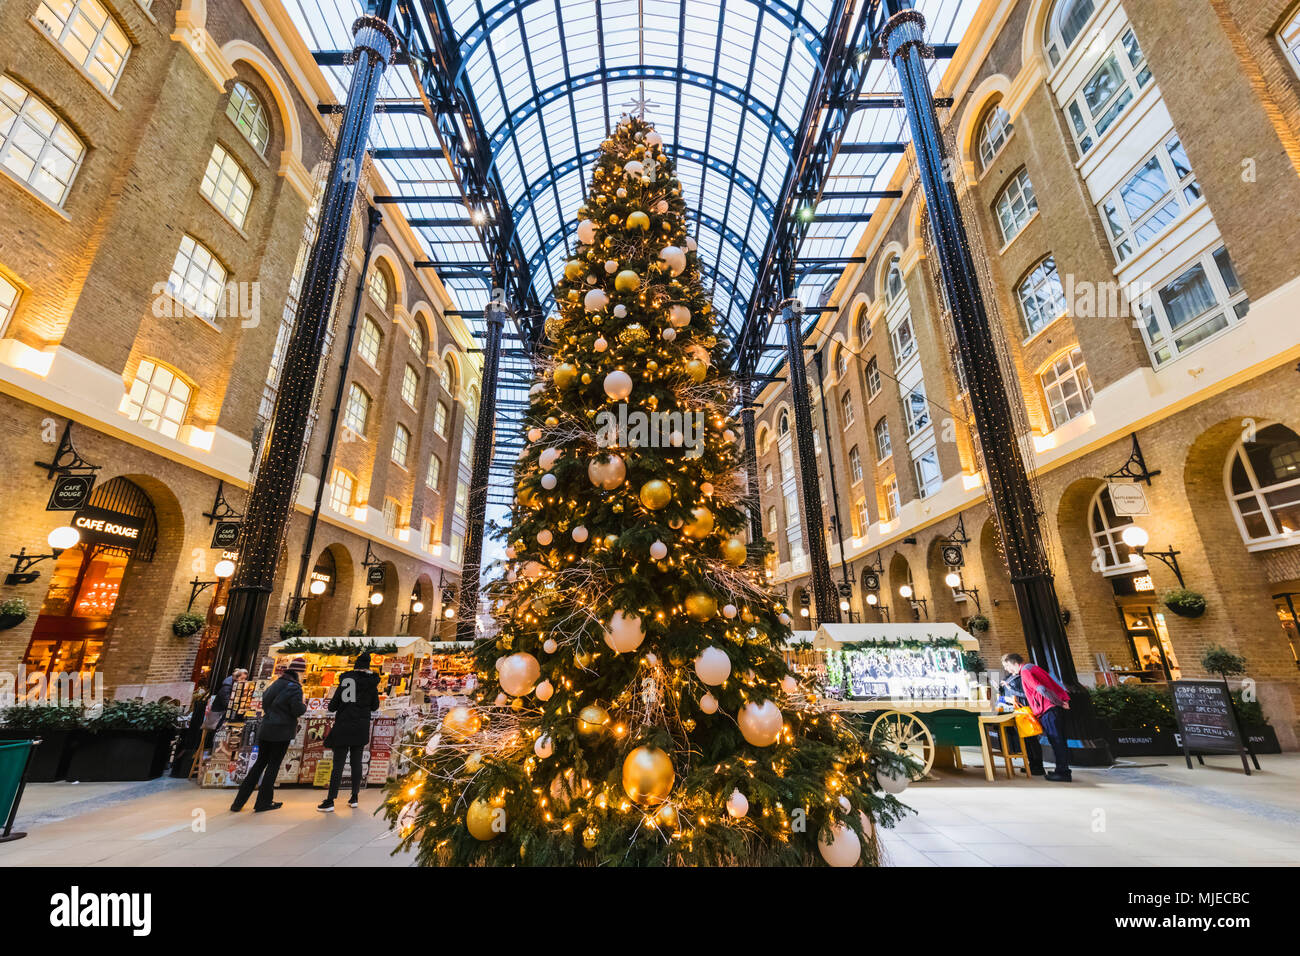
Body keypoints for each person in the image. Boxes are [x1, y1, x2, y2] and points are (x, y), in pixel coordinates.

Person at [231, 657, 307, 813]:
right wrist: (303, 705)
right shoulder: (295, 687)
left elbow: (265, 702)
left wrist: (273, 714)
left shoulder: (276, 683)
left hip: (266, 728)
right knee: (273, 766)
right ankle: (263, 802)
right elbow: (297, 710)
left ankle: (238, 802)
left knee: (259, 764)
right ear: (299, 672)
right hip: (282, 730)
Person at [318, 652, 381, 812]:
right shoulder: (371, 683)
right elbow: (375, 706)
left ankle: (331, 800)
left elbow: (333, 705)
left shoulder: (347, 681)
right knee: (356, 762)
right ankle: (354, 797)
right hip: (361, 726)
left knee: (338, 763)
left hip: (344, 724)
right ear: (368, 666)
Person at [1001, 652, 1072, 782]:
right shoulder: (1031, 667)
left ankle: (1063, 772)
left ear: (1013, 663)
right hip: (1052, 707)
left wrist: (1059, 702)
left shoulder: (1026, 672)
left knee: (1057, 741)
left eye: (1006, 665)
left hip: (1049, 708)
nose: (1006, 669)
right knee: (1058, 740)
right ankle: (1062, 770)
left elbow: (1041, 688)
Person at [999, 669, 1045, 776]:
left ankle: (1038, 766)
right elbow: (1007, 694)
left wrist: (1009, 687)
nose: (1006, 668)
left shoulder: (1021, 677)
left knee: (1032, 739)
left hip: (1025, 710)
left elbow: (1026, 694)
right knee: (1025, 740)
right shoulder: (1009, 677)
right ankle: (1031, 764)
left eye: (1007, 665)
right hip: (1017, 711)